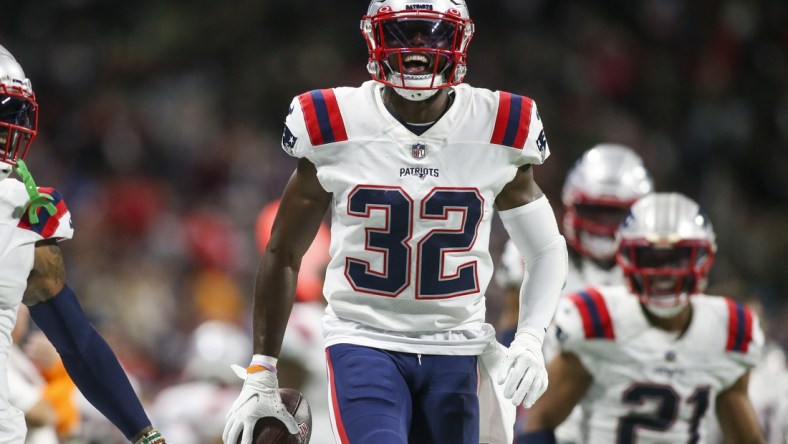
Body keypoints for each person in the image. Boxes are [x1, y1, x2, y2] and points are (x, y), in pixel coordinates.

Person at [223, 1, 568, 443]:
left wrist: (530, 339)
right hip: (363, 338)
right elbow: (284, 251)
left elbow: (545, 249)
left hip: (456, 345)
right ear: (375, 37)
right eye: (405, 33)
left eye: (434, 34)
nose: (420, 48)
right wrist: (262, 369)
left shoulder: (498, 124)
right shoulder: (334, 121)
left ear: (460, 39)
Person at [0, 43, 165, 444]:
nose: (8, 128)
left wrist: (144, 434)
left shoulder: (16, 207)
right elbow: (77, 342)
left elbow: (77, 343)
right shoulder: (16, 209)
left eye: (8, 115)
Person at [523, 193, 766, 444]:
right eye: (651, 258)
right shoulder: (597, 319)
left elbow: (747, 439)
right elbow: (539, 422)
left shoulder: (728, 331)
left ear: (703, 257)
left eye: (677, 258)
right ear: (628, 257)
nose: (663, 273)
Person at [494, 144, 654, 442]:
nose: (605, 226)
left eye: (615, 214)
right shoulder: (539, 252)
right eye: (595, 211)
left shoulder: (653, 272)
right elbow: (511, 326)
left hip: (626, 399)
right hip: (544, 395)